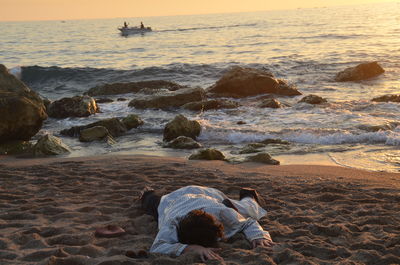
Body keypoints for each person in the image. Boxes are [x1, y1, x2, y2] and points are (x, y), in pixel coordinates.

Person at [140, 185, 273, 261]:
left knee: (249, 210)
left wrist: (258, 235)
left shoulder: (221, 213)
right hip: (172, 201)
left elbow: (247, 223)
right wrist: (191, 248)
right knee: (150, 202)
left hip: (207, 195)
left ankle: (248, 194)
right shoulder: (173, 223)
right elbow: (156, 247)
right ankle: (147, 193)